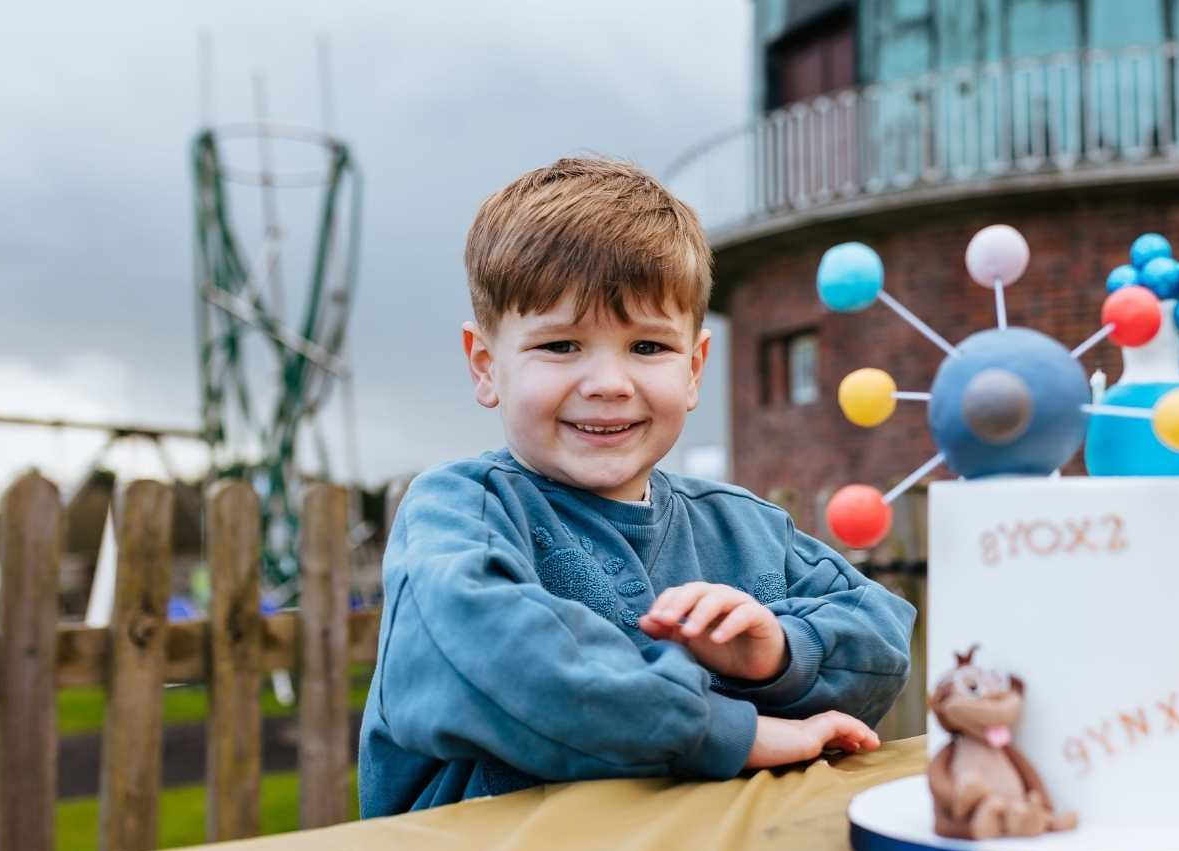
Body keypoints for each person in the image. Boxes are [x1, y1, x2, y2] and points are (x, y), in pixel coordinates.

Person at [358, 156, 917, 816]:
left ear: (694, 367)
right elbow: (502, 660)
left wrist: (778, 654)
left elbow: (881, 637)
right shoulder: (461, 510)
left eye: (648, 347)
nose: (608, 383)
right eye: (561, 345)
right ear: (486, 365)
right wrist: (727, 733)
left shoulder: (747, 528)